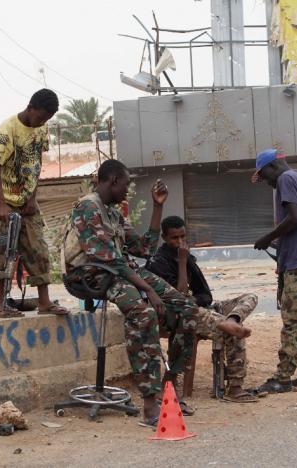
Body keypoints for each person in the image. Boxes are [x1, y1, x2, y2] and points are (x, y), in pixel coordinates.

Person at [62, 160, 198, 426]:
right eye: (126, 184)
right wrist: (148, 289)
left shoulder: (113, 214)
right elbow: (109, 260)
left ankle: (168, 388)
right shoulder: (88, 207)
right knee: (142, 313)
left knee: (185, 307)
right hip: (92, 275)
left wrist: (158, 206)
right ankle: (149, 405)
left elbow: (143, 247)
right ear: (113, 180)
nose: (128, 190)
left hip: (119, 271)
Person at [145, 215, 259, 403]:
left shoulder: (187, 257)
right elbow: (178, 297)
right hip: (180, 315)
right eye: (175, 238)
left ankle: (232, 319)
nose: (180, 242)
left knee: (250, 297)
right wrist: (182, 263)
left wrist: (195, 298)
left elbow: (206, 294)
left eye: (183, 237)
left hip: (201, 308)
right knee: (232, 333)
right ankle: (236, 388)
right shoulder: (159, 262)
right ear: (164, 238)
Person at [0, 88, 67, 316]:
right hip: (1, 199)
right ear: (30, 108)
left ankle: (44, 302)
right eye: (41, 117)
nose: (42, 122)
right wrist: (1, 204)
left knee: (38, 247)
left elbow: (37, 163)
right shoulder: (8, 129)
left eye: (47, 119)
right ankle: (0, 306)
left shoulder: (41, 130)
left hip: (26, 200)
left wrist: (32, 197)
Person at [252, 149, 297, 393]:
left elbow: (294, 218)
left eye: (265, 177)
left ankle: (282, 378)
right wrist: (286, 241)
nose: (267, 183)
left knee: (295, 323)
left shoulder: (285, 179)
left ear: (273, 167)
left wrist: (267, 237)